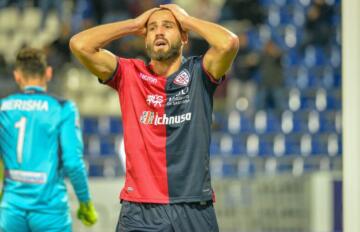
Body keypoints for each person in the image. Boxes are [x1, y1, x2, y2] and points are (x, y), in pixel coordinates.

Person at [70, 4, 239, 232]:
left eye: (168, 26)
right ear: (145, 38)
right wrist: (133, 25)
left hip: (193, 206)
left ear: (183, 37)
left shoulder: (200, 72)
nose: (159, 32)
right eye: (152, 28)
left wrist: (186, 20)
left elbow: (228, 43)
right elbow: (80, 45)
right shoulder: (130, 74)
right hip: (140, 209)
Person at [0, 47, 98, 232]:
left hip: (11, 211)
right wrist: (85, 202)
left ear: (17, 76)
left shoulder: (3, 107)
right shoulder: (63, 108)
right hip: (50, 211)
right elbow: (73, 163)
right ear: (48, 73)